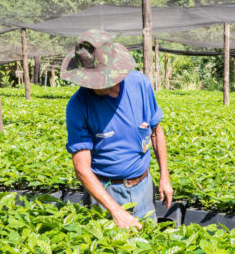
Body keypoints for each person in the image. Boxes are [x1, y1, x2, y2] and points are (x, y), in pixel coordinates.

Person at [63, 30, 172, 230]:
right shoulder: (78, 106)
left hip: (143, 186)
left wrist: (164, 176)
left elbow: (156, 132)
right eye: (102, 82)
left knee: (149, 247)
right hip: (105, 193)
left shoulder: (139, 84)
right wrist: (115, 210)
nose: (112, 86)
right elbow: (82, 168)